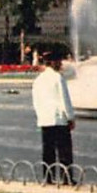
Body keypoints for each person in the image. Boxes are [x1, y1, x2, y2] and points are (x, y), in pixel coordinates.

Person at [32, 51, 75, 185]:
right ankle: (66, 178)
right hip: (59, 118)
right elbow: (64, 99)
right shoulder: (58, 78)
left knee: (48, 151)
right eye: (58, 61)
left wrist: (40, 116)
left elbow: (36, 101)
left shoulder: (38, 80)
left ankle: (48, 178)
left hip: (45, 118)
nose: (61, 64)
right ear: (52, 63)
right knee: (64, 151)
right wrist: (70, 117)